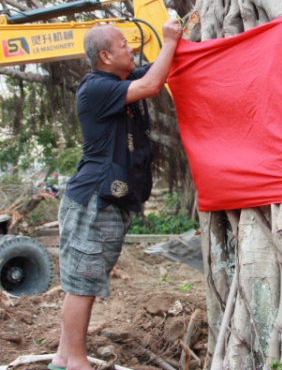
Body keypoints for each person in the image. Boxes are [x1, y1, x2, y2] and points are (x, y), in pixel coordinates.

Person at [49, 18, 182, 370]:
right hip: (94, 198)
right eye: (125, 44)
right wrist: (168, 39)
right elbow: (154, 84)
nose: (132, 48)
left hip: (109, 199)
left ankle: (63, 357)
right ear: (106, 56)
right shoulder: (96, 88)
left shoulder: (125, 80)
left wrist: (184, 41)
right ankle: (77, 362)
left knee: (86, 279)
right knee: (82, 282)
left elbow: (160, 71)